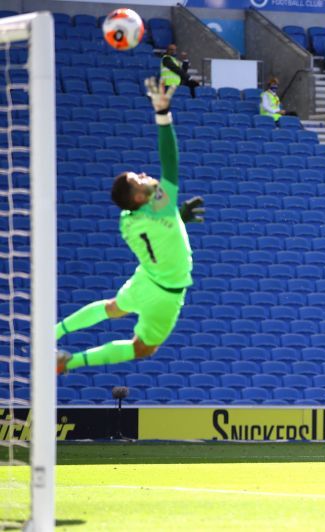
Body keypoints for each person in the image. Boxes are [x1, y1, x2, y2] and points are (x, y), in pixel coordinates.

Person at [56, 78, 204, 375]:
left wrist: (178, 219)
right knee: (143, 348)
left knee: (113, 308)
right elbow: (170, 163)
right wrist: (163, 114)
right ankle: (69, 363)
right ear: (138, 196)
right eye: (138, 178)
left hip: (145, 280)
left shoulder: (128, 220)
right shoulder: (159, 206)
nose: (143, 174)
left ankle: (54, 331)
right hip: (167, 291)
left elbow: (159, 232)